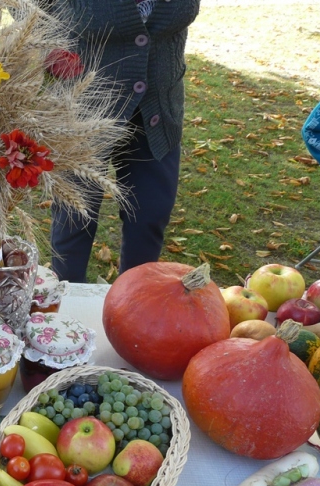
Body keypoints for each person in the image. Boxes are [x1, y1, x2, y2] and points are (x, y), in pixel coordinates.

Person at [48, 0, 201, 283]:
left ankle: (135, 307)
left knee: (149, 217)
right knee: (73, 222)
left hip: (157, 110)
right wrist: (61, 35)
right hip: (84, 110)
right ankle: (61, 312)